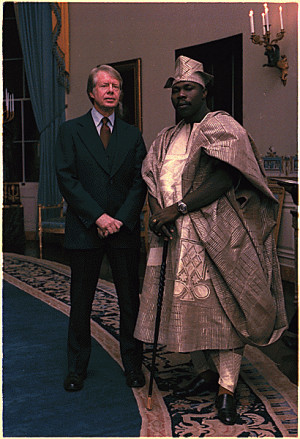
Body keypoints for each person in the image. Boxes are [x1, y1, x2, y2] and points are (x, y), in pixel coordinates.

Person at [134, 56, 287, 425]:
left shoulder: (221, 126)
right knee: (182, 310)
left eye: (188, 88)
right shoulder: (166, 137)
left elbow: (223, 179)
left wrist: (179, 208)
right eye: (176, 89)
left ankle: (228, 388)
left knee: (222, 312)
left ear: (204, 91)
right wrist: (158, 214)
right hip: (171, 237)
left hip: (212, 234)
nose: (181, 95)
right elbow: (151, 179)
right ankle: (204, 372)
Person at [55, 64, 147, 392]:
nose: (111, 91)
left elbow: (140, 182)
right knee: (81, 301)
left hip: (123, 230)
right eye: (104, 85)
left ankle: (134, 367)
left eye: (116, 86)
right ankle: (76, 368)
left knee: (129, 302)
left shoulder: (133, 134)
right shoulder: (70, 131)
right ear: (91, 92)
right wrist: (98, 217)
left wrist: (119, 219)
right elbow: (67, 178)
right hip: (85, 229)